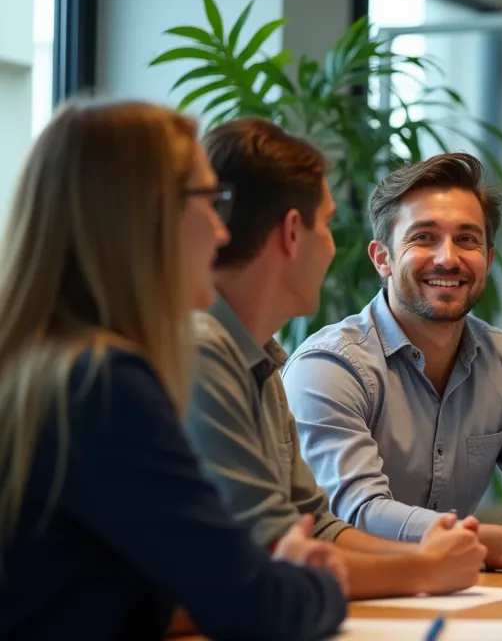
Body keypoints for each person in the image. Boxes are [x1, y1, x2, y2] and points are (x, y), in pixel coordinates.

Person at [0, 100, 347, 640]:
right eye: (210, 201)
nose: (223, 232)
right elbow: (254, 605)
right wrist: (315, 580)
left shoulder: (47, 368)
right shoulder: (105, 384)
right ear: (149, 216)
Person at [283, 152, 502, 578]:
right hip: (352, 597)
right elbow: (358, 514)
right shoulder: (330, 368)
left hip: (455, 595)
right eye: (424, 237)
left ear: (488, 259)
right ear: (382, 258)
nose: (448, 258)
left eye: (467, 240)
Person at [182, 117, 486, 601]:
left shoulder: (260, 360)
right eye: (325, 224)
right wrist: (425, 570)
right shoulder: (201, 351)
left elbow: (316, 526)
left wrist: (431, 558)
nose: (332, 247)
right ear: (292, 233)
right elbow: (270, 554)